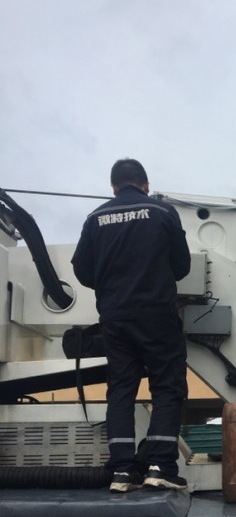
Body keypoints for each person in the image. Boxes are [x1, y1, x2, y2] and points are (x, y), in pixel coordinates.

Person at [72, 158, 191, 492]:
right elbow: (182, 266)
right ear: (146, 185)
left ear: (113, 187)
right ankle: (160, 466)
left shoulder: (95, 218)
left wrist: (111, 286)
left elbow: (82, 270)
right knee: (166, 386)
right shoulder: (163, 212)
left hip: (115, 318)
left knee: (121, 389)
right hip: (156, 314)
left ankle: (122, 470)